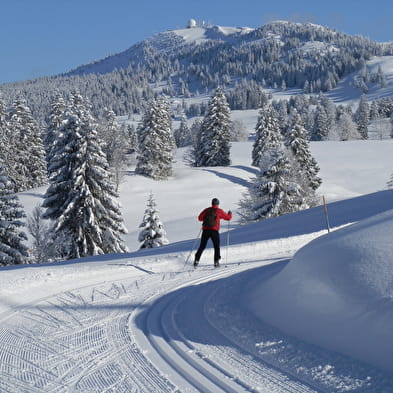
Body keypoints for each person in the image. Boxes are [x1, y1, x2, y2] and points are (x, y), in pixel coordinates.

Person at [194, 198, 232, 267]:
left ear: (212, 203)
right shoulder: (219, 211)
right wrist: (229, 214)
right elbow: (228, 218)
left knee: (202, 246)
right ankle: (216, 261)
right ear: (218, 204)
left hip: (205, 230)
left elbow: (199, 218)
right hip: (214, 231)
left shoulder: (206, 210)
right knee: (216, 246)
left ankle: (196, 259)